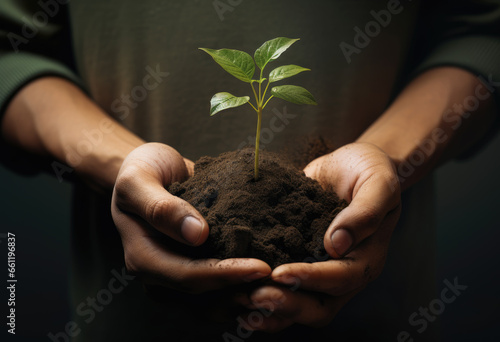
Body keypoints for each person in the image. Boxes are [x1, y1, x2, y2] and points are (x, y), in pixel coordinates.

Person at [1, 0, 499, 340]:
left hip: (377, 316)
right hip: (131, 320)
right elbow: (10, 51)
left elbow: (483, 31)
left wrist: (385, 160)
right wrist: (122, 167)